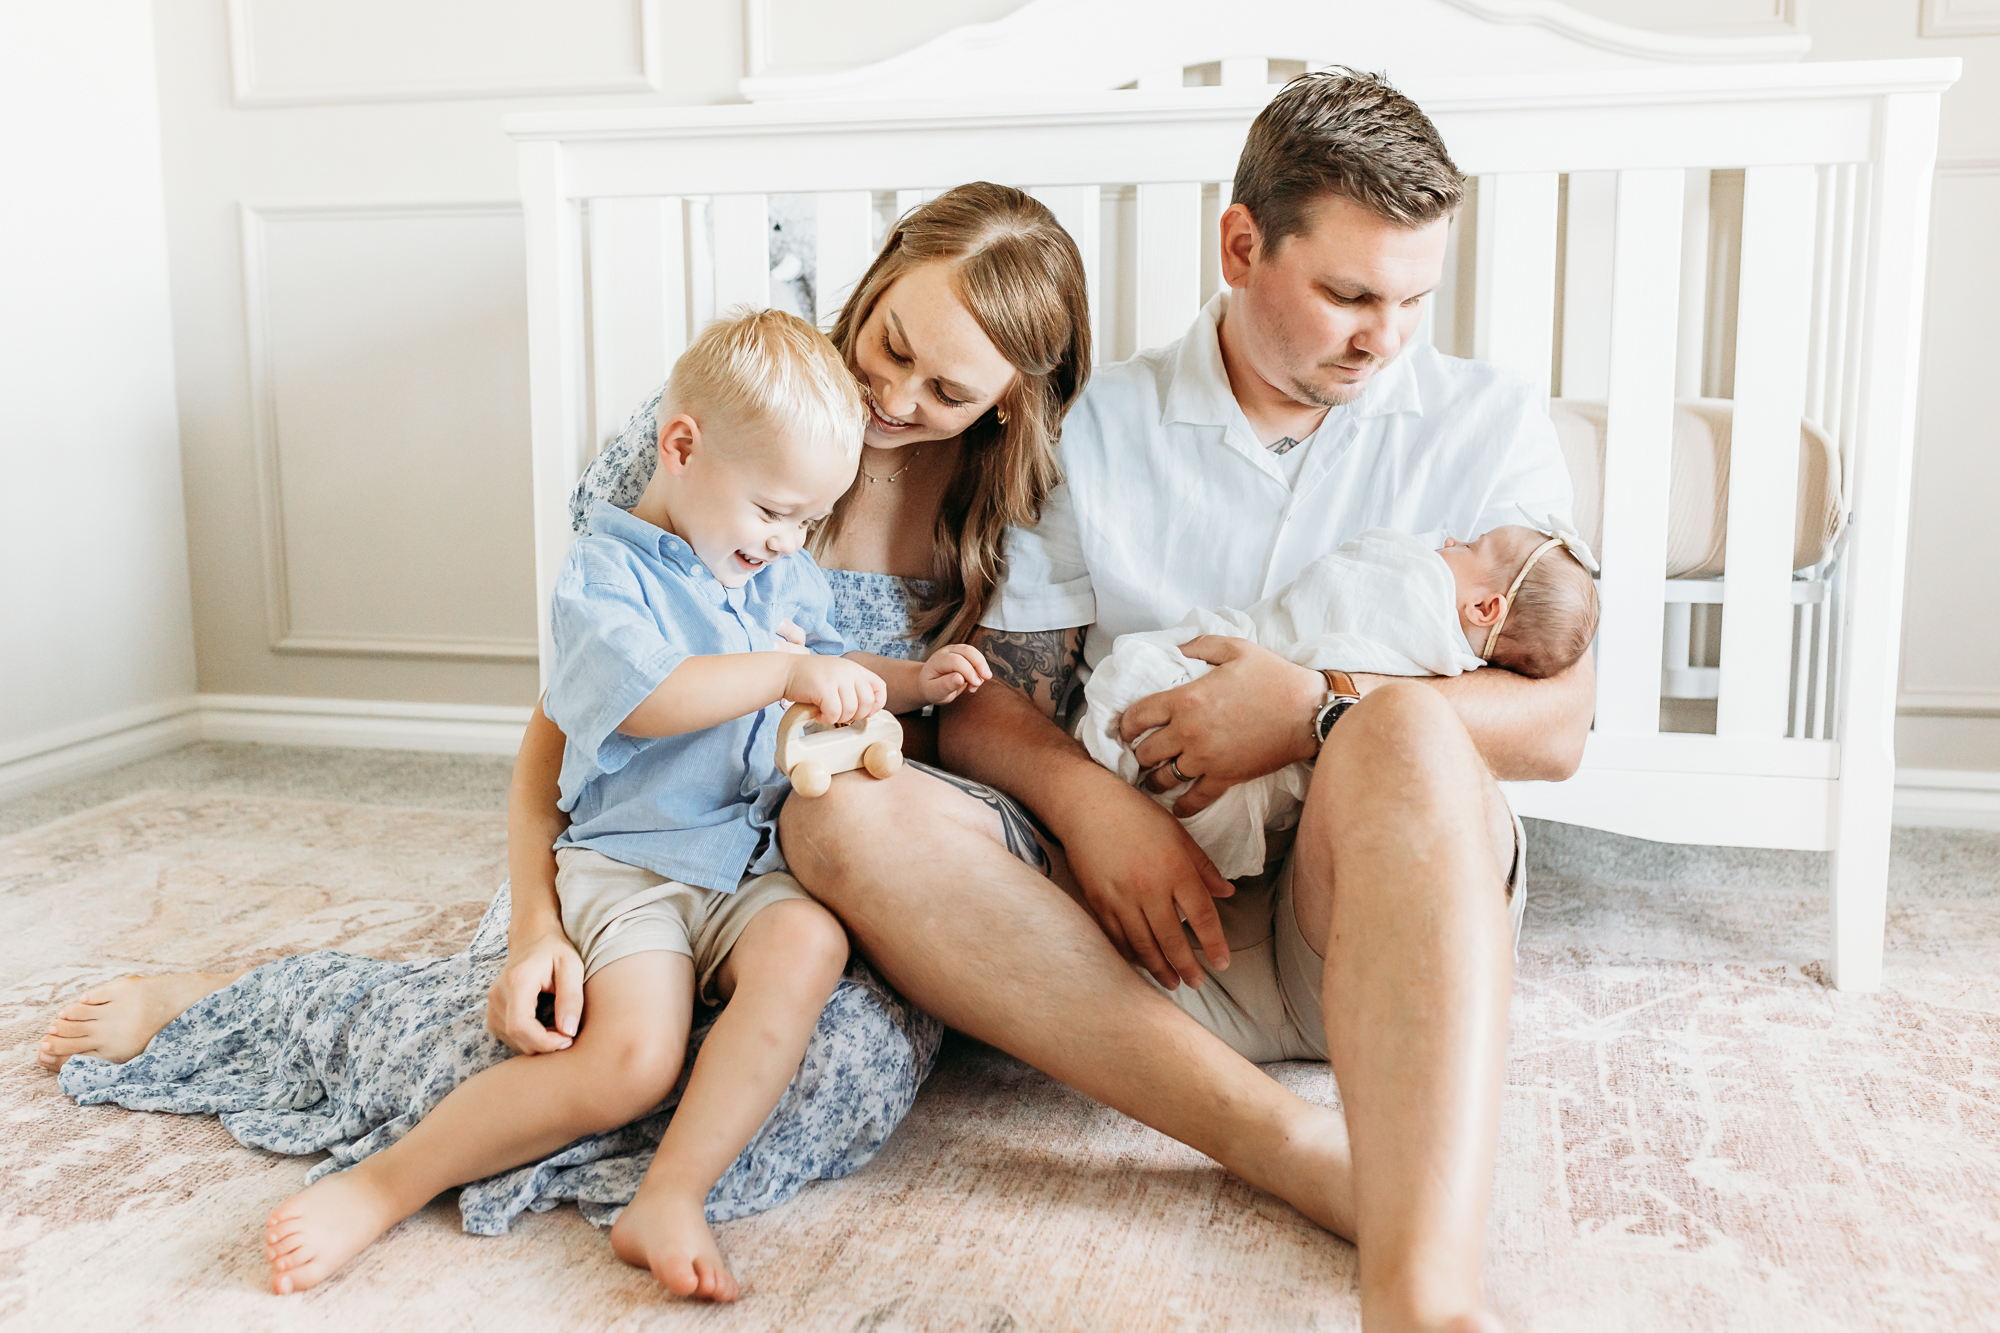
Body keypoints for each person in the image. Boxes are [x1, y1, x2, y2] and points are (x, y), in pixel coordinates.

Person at [43, 183, 1092, 1256]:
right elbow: (576, 713)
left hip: (821, 862)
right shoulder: (730, 420)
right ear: (875, 278)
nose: (895, 393)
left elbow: (962, 736)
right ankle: (241, 1009)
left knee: (821, 1075)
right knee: (548, 1048)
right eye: (890, 344)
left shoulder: (1028, 503)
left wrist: (912, 691)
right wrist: (538, 925)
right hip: (635, 844)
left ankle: (664, 1192)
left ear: (1007, 401)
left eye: (946, 389)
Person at [776, 70, 1593, 1333]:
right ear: (1239, 245)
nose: (1382, 336)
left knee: (1408, 730)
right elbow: (989, 702)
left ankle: (1420, 1294)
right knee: (838, 815)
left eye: (1412, 300)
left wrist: (1315, 707)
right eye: (1346, 294)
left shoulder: (1481, 424)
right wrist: (1093, 810)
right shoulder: (1101, 424)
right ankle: (1294, 1151)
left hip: (1362, 917)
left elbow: (1555, 728)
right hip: (1138, 937)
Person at [257, 310, 991, 1299]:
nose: (785, 544)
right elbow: (652, 702)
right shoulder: (605, 579)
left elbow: (827, 664)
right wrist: (784, 668)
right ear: (681, 447)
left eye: (807, 523)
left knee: (807, 945)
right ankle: (385, 1182)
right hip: (634, 868)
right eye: (773, 511)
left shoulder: (769, 565)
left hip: (742, 863)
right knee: (631, 1061)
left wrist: (908, 683)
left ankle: (670, 1194)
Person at [1079, 519, 1600, 878]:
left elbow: (1560, 735)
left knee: (1434, 774)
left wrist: (1311, 703)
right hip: (1184, 811)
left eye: (1469, 546)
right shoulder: (1456, 661)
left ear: (1485, 608)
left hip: (1332, 840)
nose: (1450, 539)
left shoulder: (1422, 598)